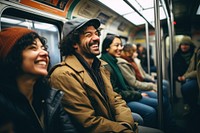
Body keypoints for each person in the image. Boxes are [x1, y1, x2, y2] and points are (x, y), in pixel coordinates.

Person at [49, 17, 163, 133]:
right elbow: (88, 122)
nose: (96, 38)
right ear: (74, 43)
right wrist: (122, 129)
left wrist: (125, 123)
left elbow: (116, 99)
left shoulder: (99, 66)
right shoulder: (64, 74)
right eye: (88, 35)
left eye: (96, 33)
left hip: (113, 123)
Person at [0, 27, 76, 133]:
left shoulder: (50, 96)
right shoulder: (3, 106)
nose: (45, 53)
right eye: (33, 48)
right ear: (12, 55)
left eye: (43, 48)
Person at [178, 46, 200, 116]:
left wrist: (185, 76)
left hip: (197, 76)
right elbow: (191, 68)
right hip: (195, 76)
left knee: (186, 87)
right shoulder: (197, 51)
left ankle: (193, 108)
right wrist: (184, 76)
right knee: (186, 84)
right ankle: (191, 107)